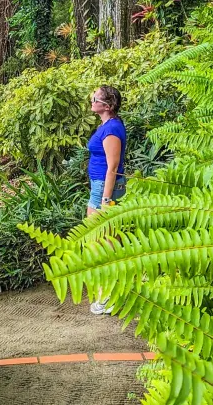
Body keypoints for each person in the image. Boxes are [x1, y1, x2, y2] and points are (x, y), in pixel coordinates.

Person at [86, 84, 127, 315]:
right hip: (100, 187)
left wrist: (106, 200)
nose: (92, 101)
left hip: (104, 188)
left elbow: (112, 168)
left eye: (96, 98)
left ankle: (108, 296)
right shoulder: (108, 126)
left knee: (101, 243)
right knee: (107, 239)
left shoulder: (111, 129)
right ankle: (115, 290)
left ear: (107, 105)